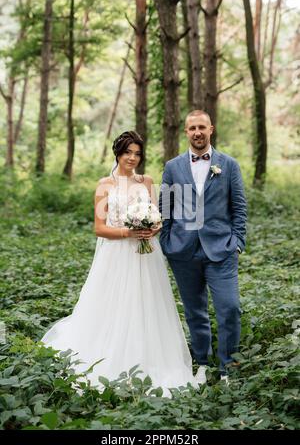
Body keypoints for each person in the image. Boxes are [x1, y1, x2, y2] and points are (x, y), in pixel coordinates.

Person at [41, 131, 197, 396]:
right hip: (116, 255)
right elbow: (100, 228)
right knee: (115, 305)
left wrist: (152, 228)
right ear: (118, 153)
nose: (132, 158)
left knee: (147, 305)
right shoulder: (105, 184)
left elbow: (157, 219)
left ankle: (150, 358)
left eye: (137, 153)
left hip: (146, 256)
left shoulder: (146, 181)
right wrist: (128, 232)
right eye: (128, 152)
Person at [159, 110, 247, 384]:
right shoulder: (173, 167)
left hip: (221, 250)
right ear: (186, 132)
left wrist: (238, 242)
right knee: (195, 311)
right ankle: (201, 363)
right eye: (191, 128)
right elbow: (165, 207)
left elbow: (239, 207)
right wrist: (167, 242)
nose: (197, 132)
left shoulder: (228, 165)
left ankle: (227, 367)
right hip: (183, 251)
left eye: (201, 127)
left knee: (229, 307)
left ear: (211, 129)